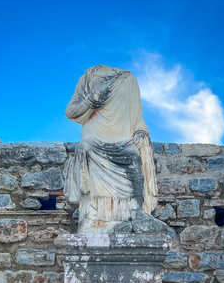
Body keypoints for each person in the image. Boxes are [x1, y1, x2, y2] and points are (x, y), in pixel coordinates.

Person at [64, 65, 158, 233]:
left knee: (133, 154)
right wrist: (90, 102)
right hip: (94, 140)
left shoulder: (128, 80)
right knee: (84, 148)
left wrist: (140, 133)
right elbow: (70, 112)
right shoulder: (87, 77)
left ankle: (136, 211)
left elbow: (137, 117)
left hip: (123, 141)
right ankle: (91, 214)